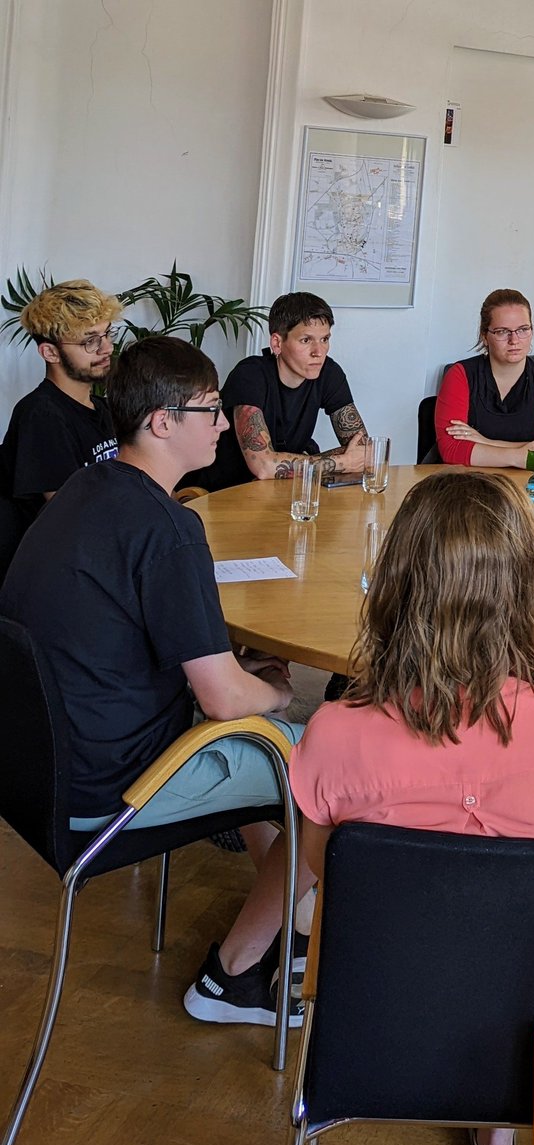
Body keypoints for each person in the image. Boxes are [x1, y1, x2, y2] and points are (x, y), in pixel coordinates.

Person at [289, 470, 534, 1145]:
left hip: (383, 1012)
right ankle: (497, 1120)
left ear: (395, 587)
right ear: (530, 589)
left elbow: (316, 885)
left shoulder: (333, 733)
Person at [0, 335, 316, 1027]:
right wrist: (275, 692)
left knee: (266, 744)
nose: (225, 423)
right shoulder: (167, 528)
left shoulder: (88, 487)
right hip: (111, 785)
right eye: (210, 409)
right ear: (162, 421)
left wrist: (239, 677)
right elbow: (225, 698)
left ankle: (293, 909)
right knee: (326, 774)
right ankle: (232, 976)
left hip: (40, 769)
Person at [191, 291, 369, 490]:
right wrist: (341, 462)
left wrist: (297, 463)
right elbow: (263, 466)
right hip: (223, 493)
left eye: (325, 339)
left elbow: (362, 452)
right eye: (306, 340)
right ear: (277, 343)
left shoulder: (328, 372)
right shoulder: (250, 375)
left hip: (280, 492)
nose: (318, 352)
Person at [0, 279, 121, 532]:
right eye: (90, 341)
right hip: (62, 561)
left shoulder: (103, 408)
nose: (107, 348)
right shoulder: (41, 415)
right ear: (50, 353)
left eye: (107, 333)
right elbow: (71, 515)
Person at [433, 288, 534, 468]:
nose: (514, 340)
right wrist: (518, 456)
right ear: (485, 336)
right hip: (468, 483)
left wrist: (485, 441)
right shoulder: (460, 375)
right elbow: (451, 449)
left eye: (522, 329)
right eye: (502, 331)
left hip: (529, 486)